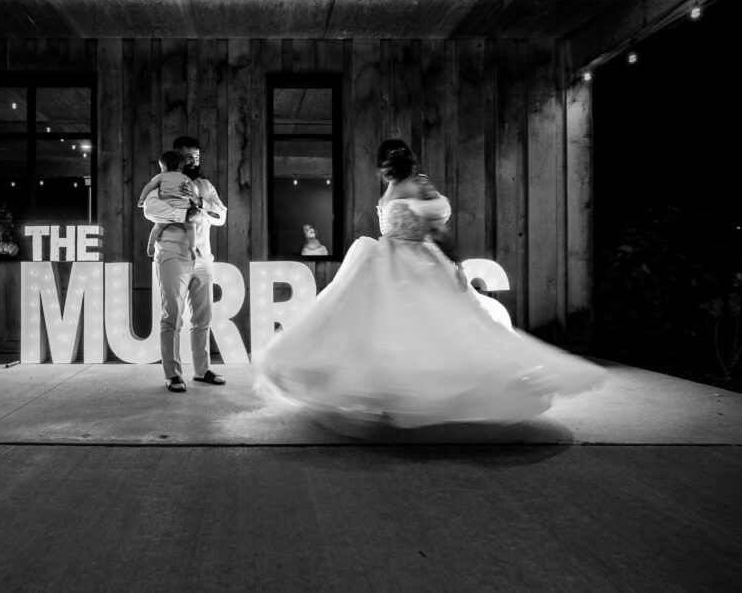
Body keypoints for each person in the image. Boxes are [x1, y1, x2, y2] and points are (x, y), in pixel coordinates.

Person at [251, 139, 606, 428]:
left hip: (393, 258)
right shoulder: (412, 183)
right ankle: (397, 393)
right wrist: (452, 261)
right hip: (408, 259)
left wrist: (453, 260)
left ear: (385, 166)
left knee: (392, 328)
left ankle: (393, 394)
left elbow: (435, 227)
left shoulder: (399, 187)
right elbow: (438, 226)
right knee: (421, 327)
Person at [141, 136, 228, 393]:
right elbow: (150, 210)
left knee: (203, 318)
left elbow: (221, 215)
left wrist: (200, 202)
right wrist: (186, 211)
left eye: (196, 157)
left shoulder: (204, 184)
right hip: (172, 255)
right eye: (188, 156)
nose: (193, 161)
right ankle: (172, 374)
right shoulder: (162, 185)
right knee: (172, 318)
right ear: (175, 156)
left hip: (203, 257)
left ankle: (201, 371)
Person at [138, 150, 199, 260]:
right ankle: (192, 247)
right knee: (191, 226)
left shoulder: (161, 177)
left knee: (158, 226)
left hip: (166, 207)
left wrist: (142, 199)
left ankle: (151, 243)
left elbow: (149, 187)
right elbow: (194, 188)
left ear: (164, 167)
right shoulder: (184, 177)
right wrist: (195, 199)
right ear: (181, 166)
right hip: (182, 209)